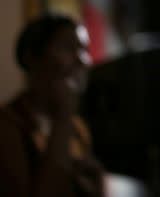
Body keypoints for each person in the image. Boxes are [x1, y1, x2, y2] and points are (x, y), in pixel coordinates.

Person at [0, 12, 105, 196]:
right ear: (32, 57)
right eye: (68, 48)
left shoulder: (78, 129)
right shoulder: (8, 124)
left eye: (83, 50)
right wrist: (63, 114)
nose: (81, 60)